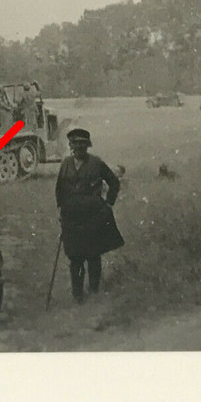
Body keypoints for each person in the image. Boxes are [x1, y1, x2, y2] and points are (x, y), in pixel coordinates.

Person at [55, 128, 123, 303]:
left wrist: (108, 204)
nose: (79, 147)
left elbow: (114, 182)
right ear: (71, 145)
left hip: (93, 217)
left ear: (88, 145)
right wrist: (61, 212)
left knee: (93, 255)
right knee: (75, 257)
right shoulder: (65, 164)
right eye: (75, 143)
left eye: (82, 143)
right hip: (71, 218)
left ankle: (94, 291)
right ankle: (77, 295)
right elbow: (60, 190)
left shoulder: (96, 163)